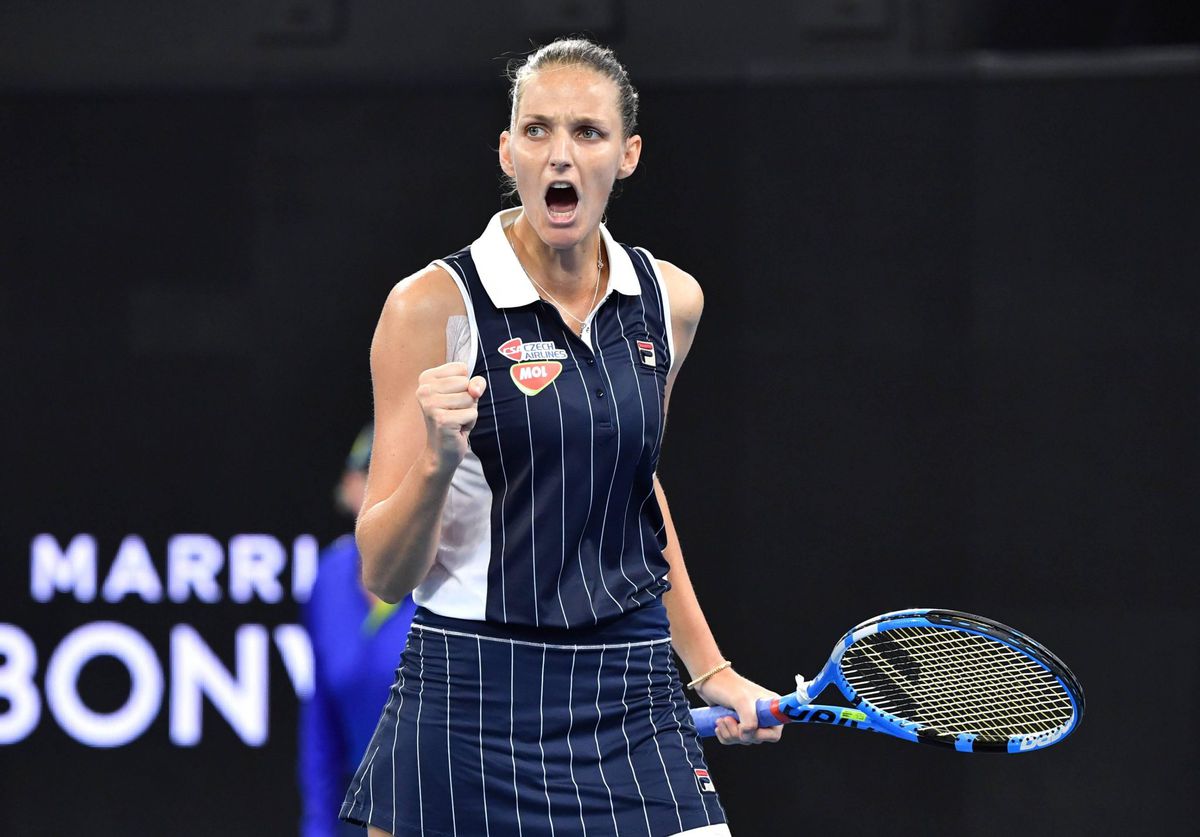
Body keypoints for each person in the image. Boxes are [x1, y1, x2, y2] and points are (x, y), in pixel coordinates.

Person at [339, 38, 780, 837]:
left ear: (628, 154)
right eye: (536, 131)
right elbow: (385, 572)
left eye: (587, 132)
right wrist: (437, 465)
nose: (559, 155)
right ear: (507, 152)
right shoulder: (429, 308)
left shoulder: (670, 301)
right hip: (472, 699)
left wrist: (710, 669)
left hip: (631, 695)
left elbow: (635, 491)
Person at [300, 424, 418, 837]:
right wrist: (318, 827)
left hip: (439, 807)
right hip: (355, 812)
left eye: (400, 475)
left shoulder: (449, 577)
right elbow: (320, 720)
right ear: (350, 487)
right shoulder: (330, 577)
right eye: (370, 474)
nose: (384, 491)